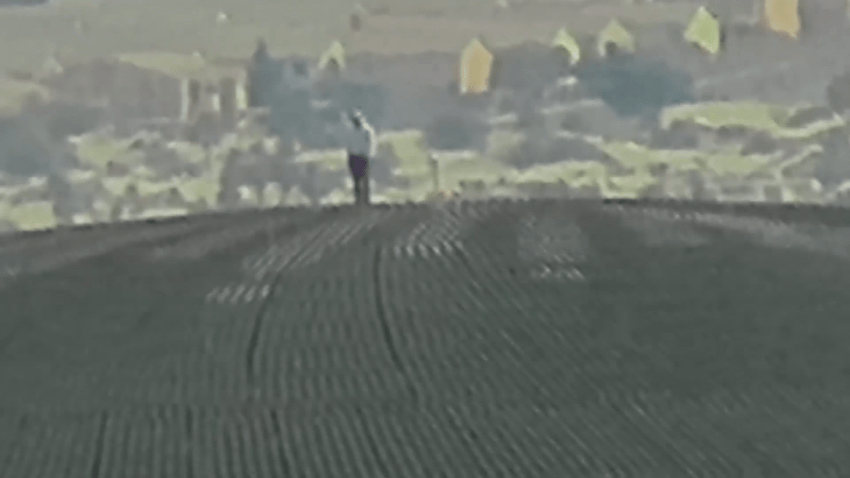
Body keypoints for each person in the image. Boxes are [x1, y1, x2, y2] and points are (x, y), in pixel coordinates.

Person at [342, 109, 376, 205]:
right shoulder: (351, 131)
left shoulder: (367, 131)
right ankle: (358, 200)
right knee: (356, 179)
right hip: (354, 157)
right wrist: (349, 157)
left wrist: (370, 156)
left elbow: (371, 144)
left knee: (365, 179)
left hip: (363, 157)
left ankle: (366, 200)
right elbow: (348, 145)